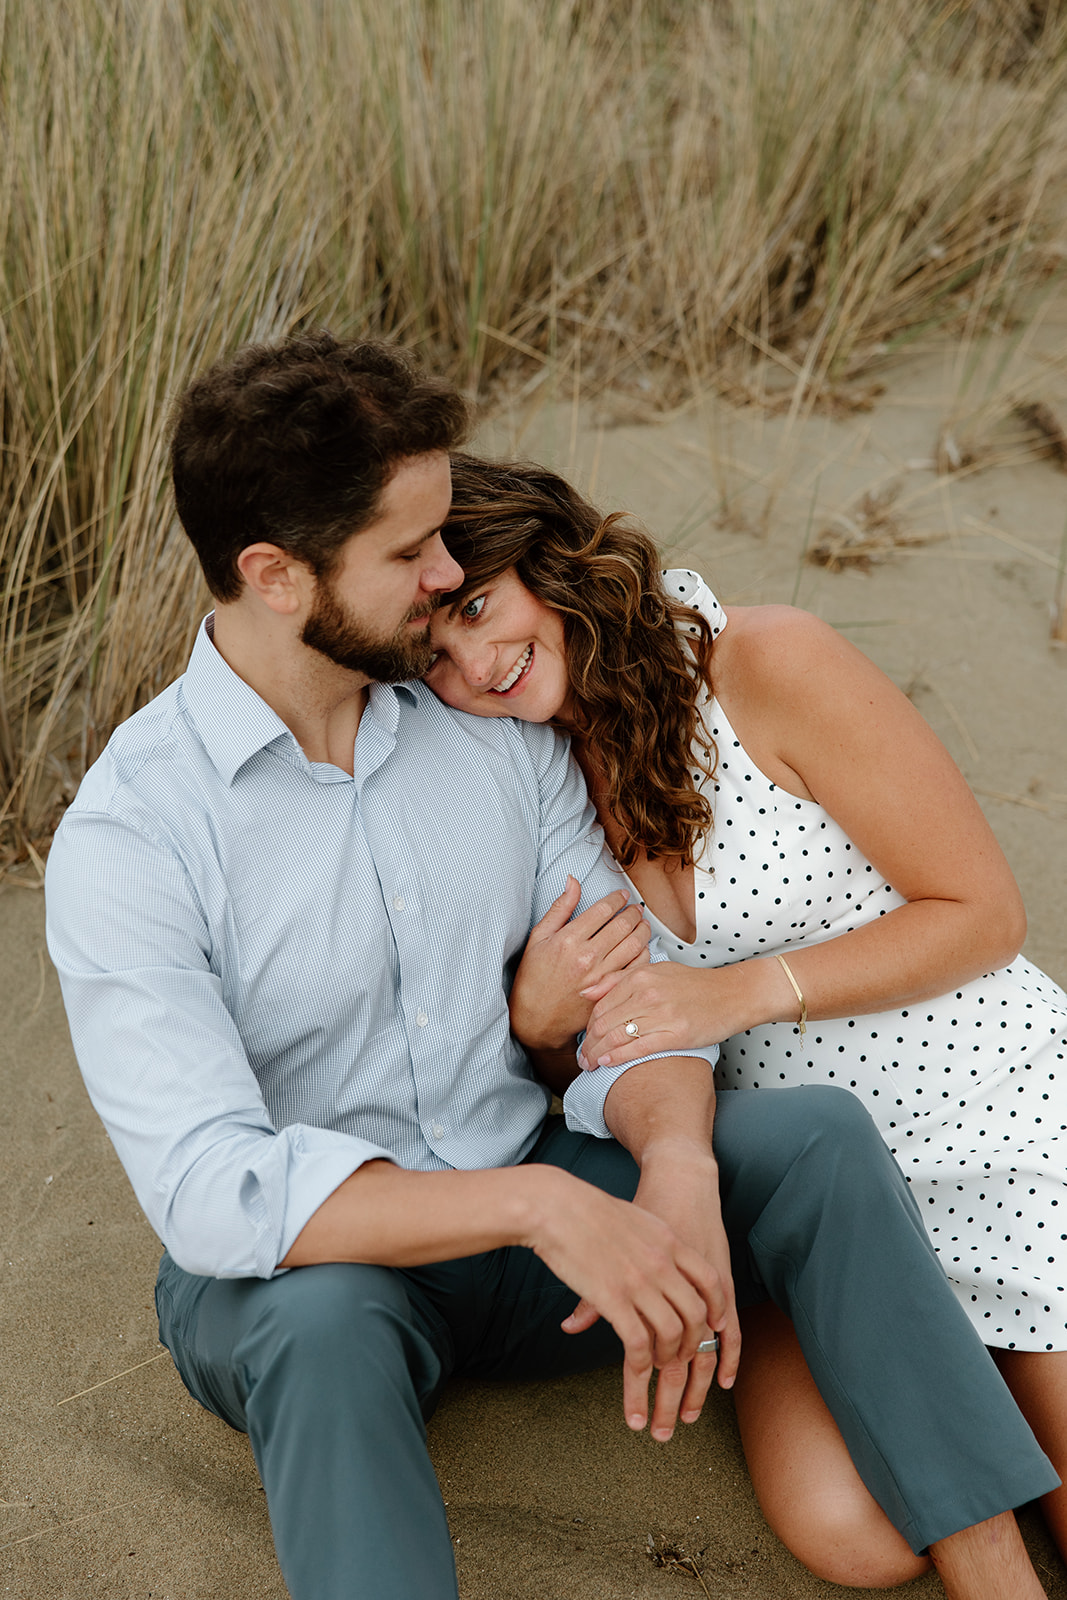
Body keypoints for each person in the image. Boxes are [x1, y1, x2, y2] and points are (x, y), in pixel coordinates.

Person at [45, 335, 1057, 1600]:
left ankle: (995, 1578)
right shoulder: (133, 833)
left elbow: (630, 996)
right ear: (277, 575)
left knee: (811, 1140)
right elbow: (211, 1190)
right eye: (411, 555)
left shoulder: (485, 734)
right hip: (329, 1271)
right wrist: (540, 1205)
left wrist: (675, 1159)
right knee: (320, 1328)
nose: (448, 570)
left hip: (552, 1220)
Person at [426, 449, 1067, 1577]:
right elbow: (581, 1076)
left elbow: (983, 912)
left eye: (479, 603)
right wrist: (534, 1026)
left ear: (548, 559)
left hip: (992, 1128)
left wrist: (737, 992)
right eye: (432, 653)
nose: (474, 662)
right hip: (816, 1206)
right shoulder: (521, 778)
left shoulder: (760, 662)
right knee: (856, 1539)